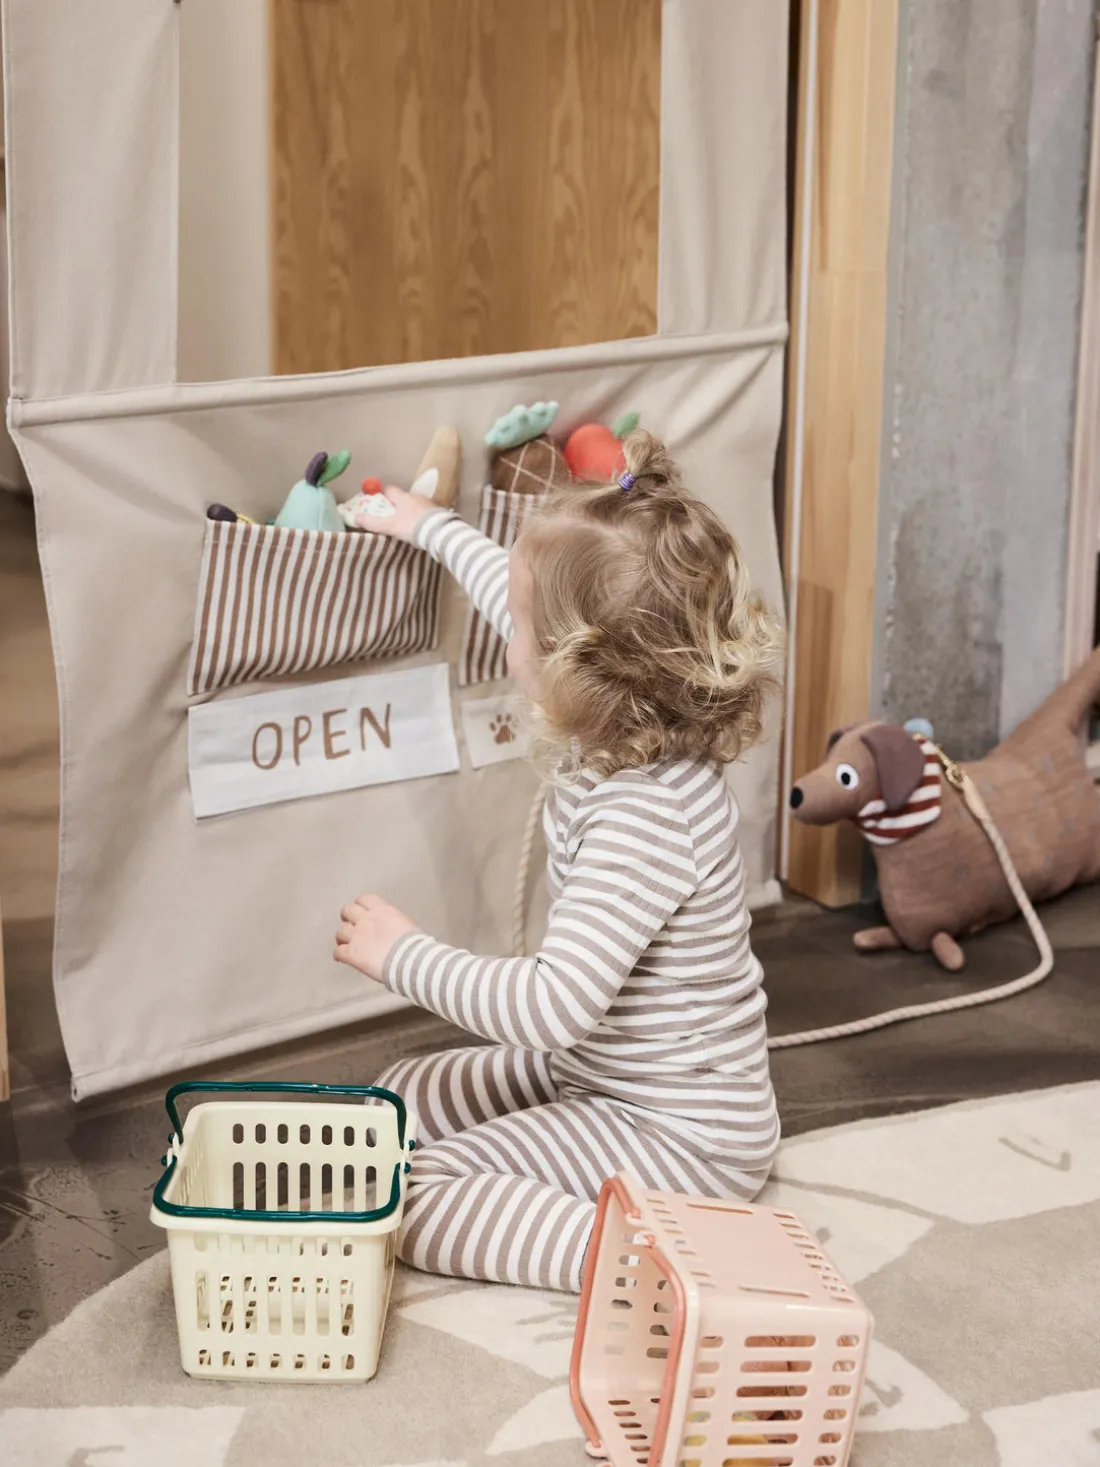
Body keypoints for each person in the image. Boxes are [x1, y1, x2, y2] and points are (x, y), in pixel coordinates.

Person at [334, 431, 783, 1292]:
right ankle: (595, 1205)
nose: (509, 637)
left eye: (522, 628)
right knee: (403, 1100)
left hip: (680, 1137)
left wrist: (403, 957)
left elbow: (551, 1007)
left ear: (581, 668)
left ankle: (648, 1266)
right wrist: (428, 525)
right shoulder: (630, 718)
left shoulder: (644, 813)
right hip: (600, 1072)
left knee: (414, 1188)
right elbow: (511, 588)